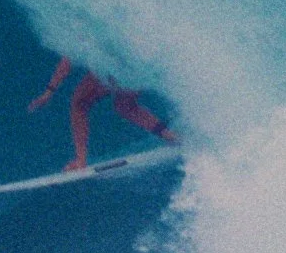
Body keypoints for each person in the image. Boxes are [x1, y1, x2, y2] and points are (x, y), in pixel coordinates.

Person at [26, 56, 178, 171]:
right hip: (137, 63)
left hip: (114, 65)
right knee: (126, 107)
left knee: (80, 103)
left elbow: (68, 59)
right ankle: (172, 137)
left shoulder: (79, 25)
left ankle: (80, 161)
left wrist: (49, 91)